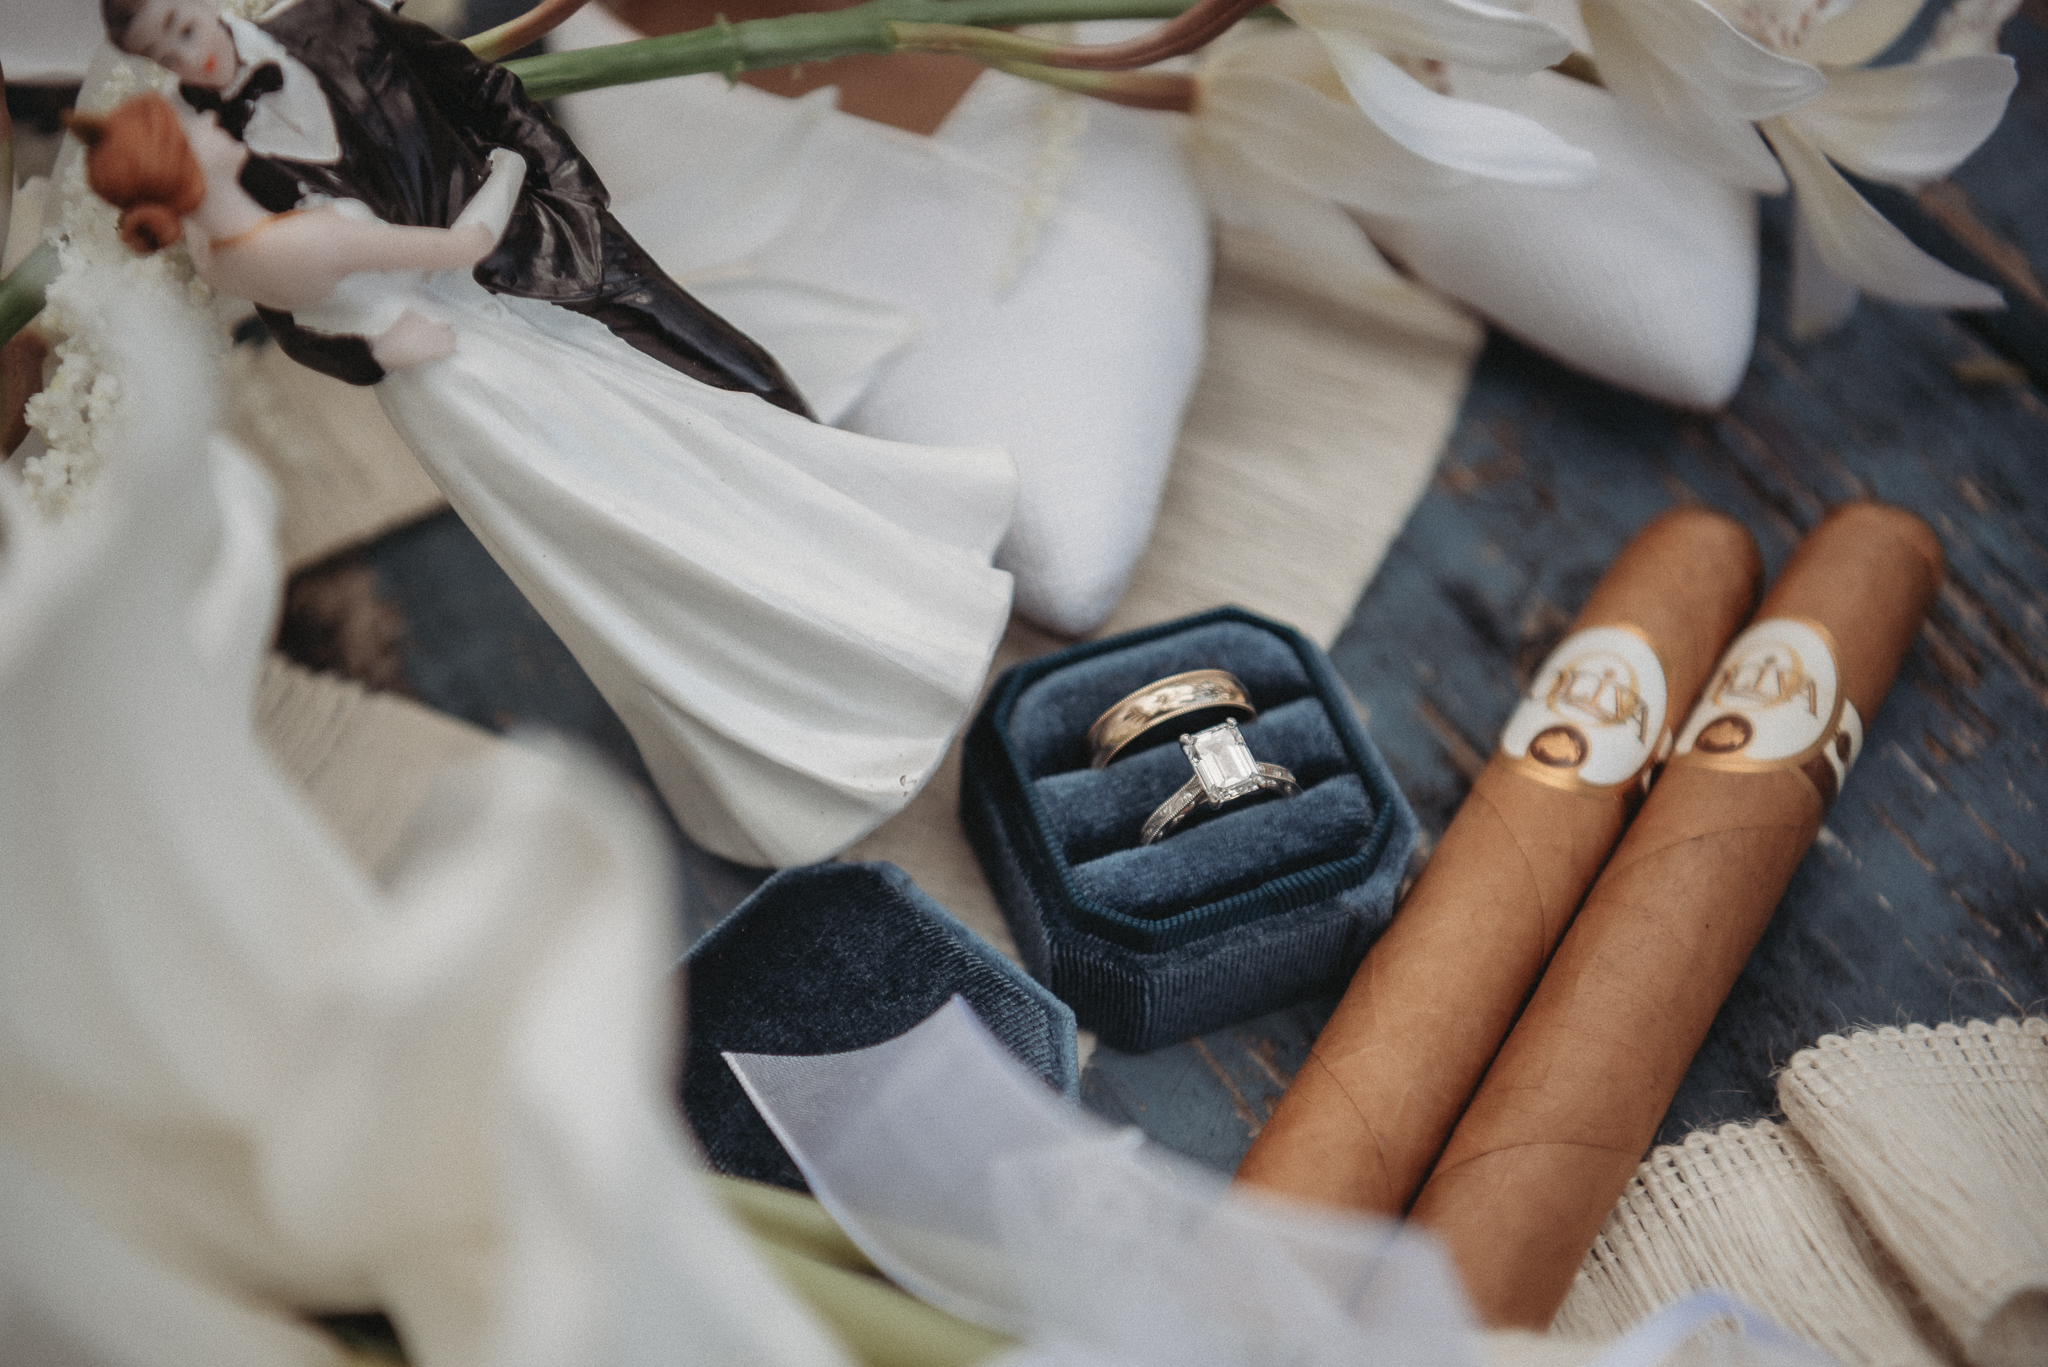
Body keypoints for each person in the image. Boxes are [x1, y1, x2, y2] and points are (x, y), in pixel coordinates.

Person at [71, 93, 1018, 868]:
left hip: (447, 398)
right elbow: (456, 246)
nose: (209, 116)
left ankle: (755, 721)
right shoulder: (289, 239)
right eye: (188, 122)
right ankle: (837, 672)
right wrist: (506, 168)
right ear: (182, 160)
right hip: (490, 379)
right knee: (657, 502)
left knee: (611, 557)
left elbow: (323, 323)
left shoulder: (220, 254)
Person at [101, 0, 811, 414]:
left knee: (730, 367)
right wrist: (369, 353)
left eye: (183, 28)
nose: (189, 60)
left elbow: (480, 88)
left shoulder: (335, 20)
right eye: (163, 55)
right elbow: (284, 303)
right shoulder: (204, 152)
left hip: (543, 238)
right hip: (470, 352)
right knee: (648, 455)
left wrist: (573, 190)